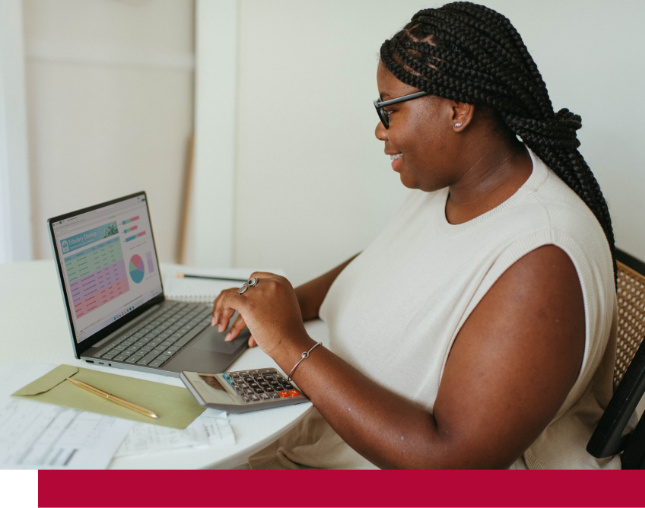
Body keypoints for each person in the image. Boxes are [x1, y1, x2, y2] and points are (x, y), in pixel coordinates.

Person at [212, 1, 619, 469]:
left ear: (458, 109)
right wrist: (284, 306)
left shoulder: (542, 260)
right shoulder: (454, 188)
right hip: (314, 437)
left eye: (389, 110)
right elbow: (384, 264)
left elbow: (452, 462)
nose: (379, 131)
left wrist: (287, 341)